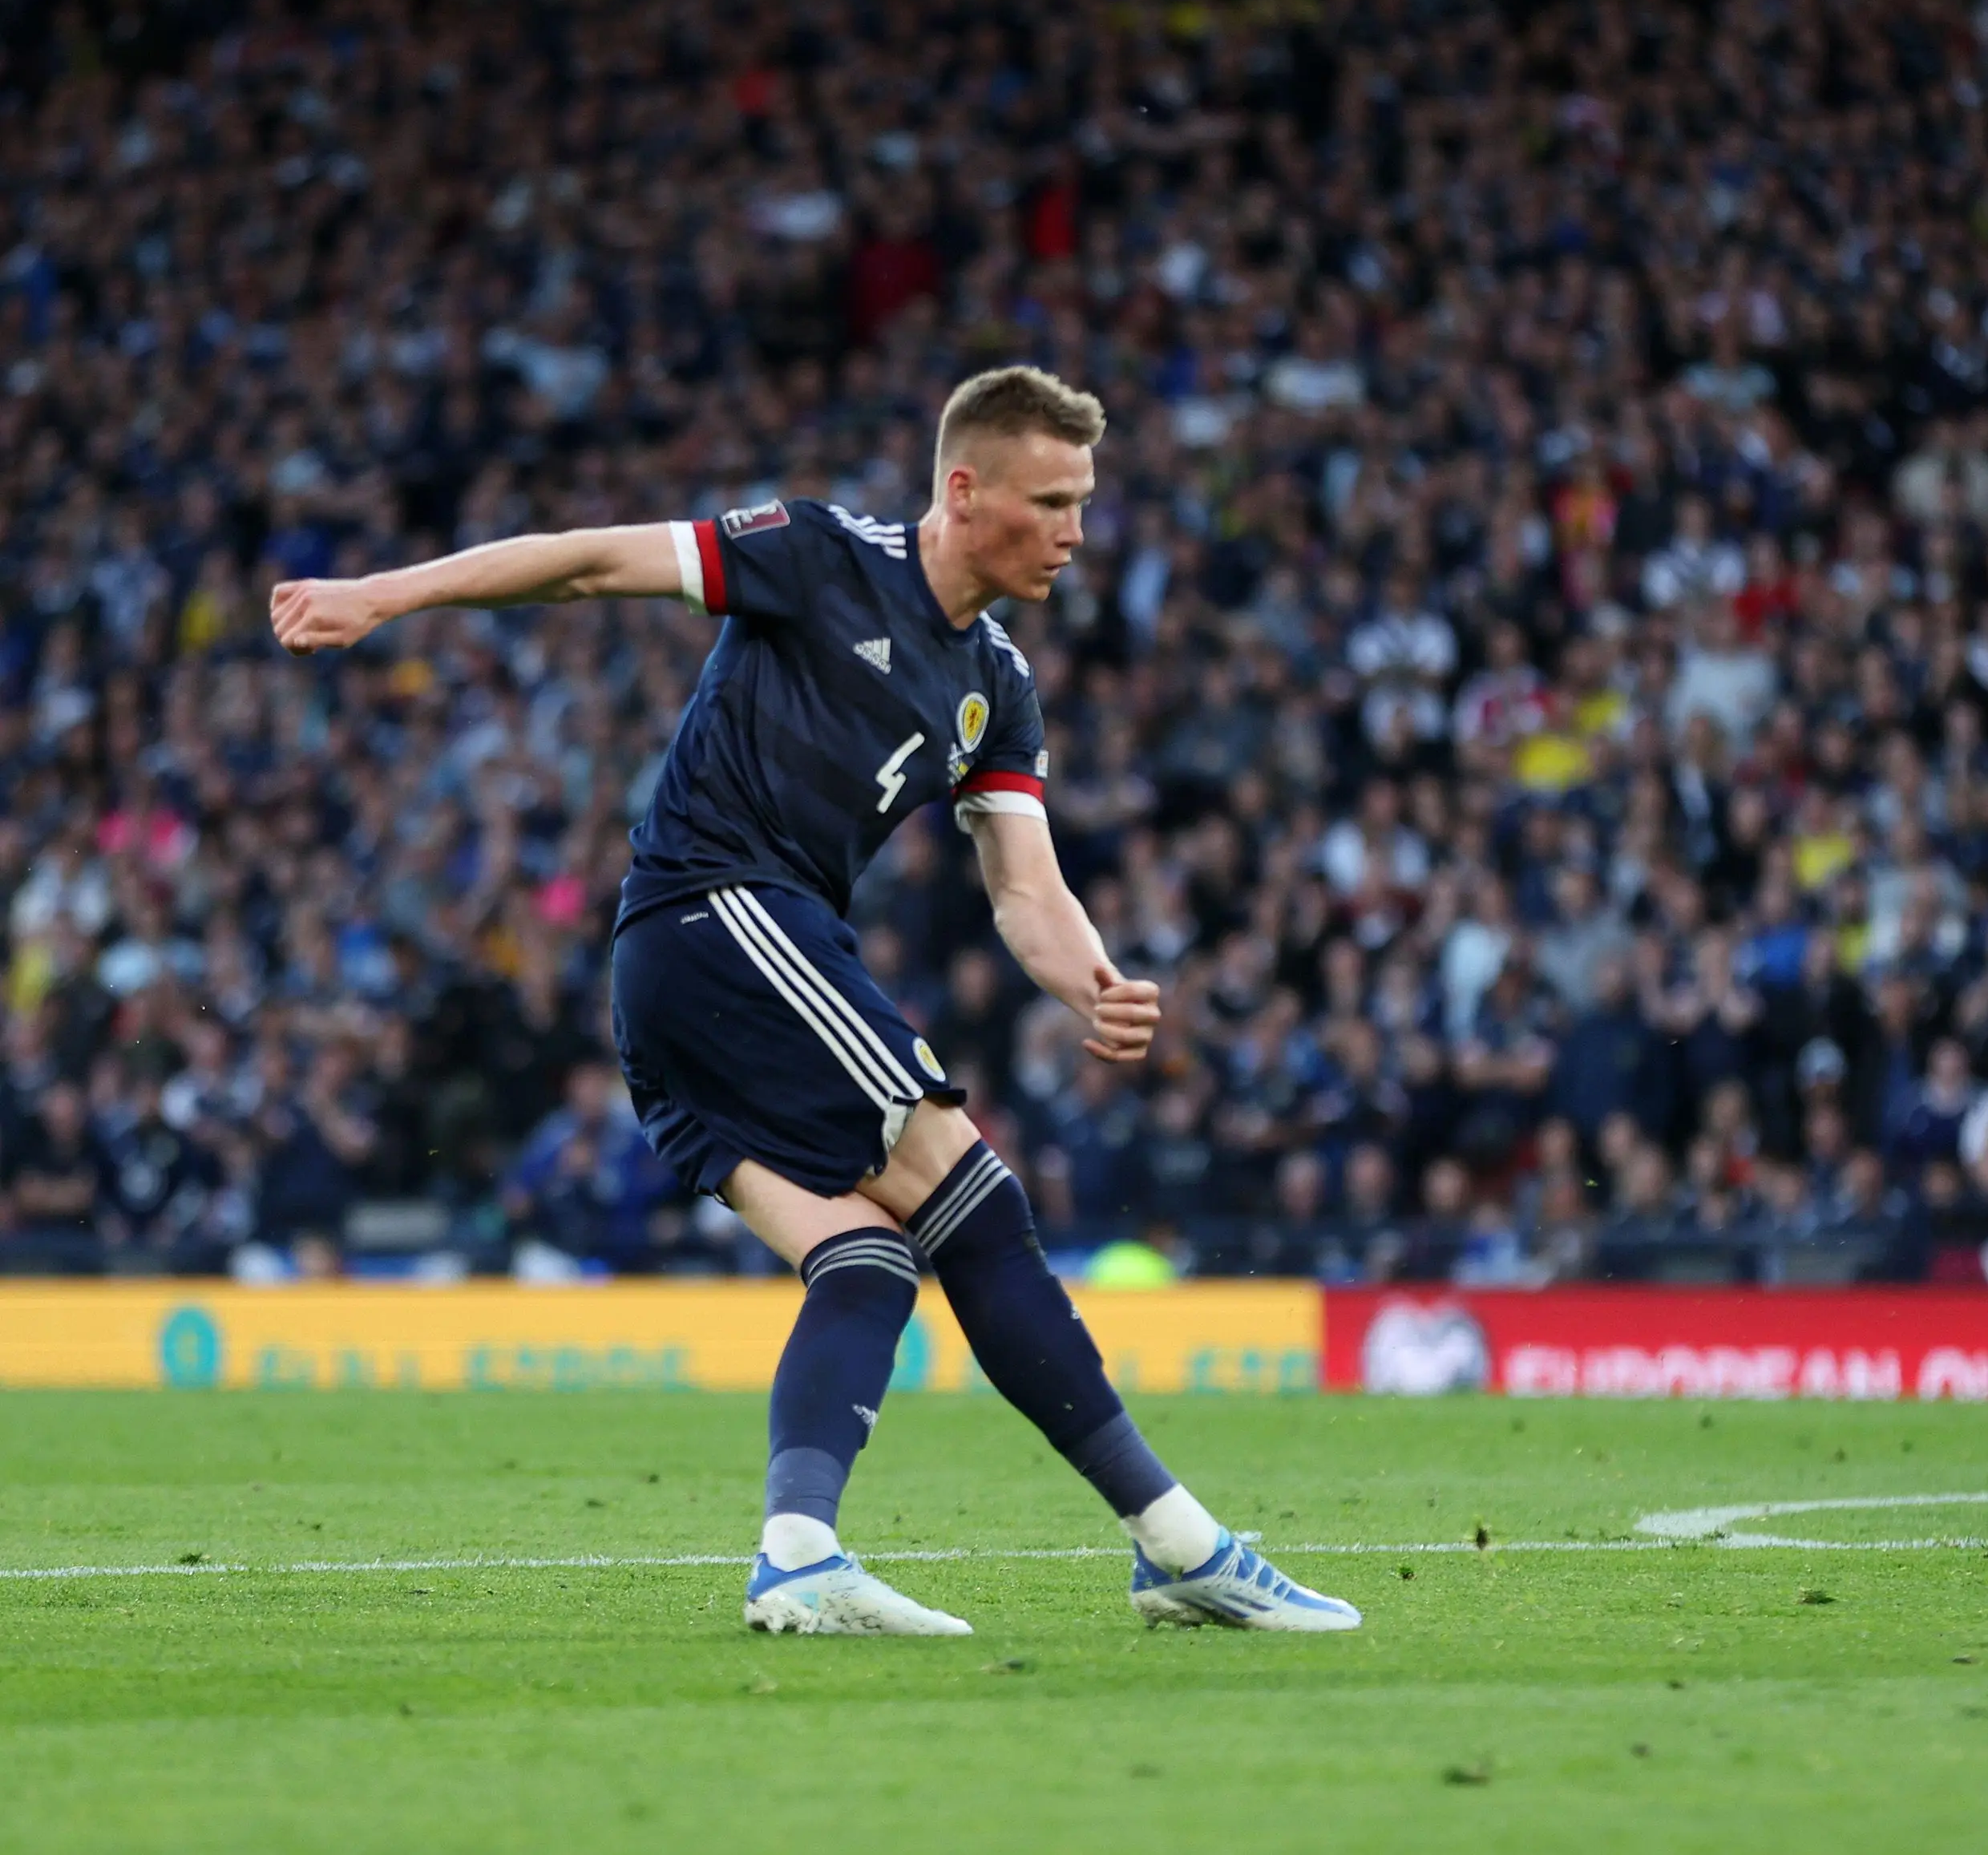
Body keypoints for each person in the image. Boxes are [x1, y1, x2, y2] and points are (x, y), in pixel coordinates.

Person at [272, 365, 1357, 1639]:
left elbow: (1025, 890)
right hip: (719, 918)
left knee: (866, 1258)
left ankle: (797, 1555)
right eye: (1055, 500)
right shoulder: (822, 553)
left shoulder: (996, 681)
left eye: (1085, 502)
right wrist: (380, 596)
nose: (1078, 531)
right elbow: (586, 564)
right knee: (980, 1209)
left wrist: (1093, 982)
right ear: (966, 490)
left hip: (700, 986)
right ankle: (1180, 1545)